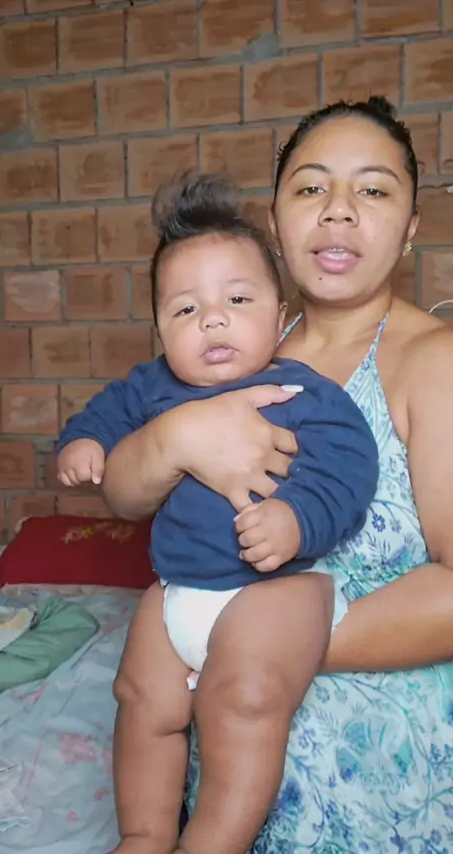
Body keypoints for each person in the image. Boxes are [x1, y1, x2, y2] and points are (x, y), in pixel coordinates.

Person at [100, 96, 453, 853]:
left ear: (411, 227)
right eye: (311, 186)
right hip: (218, 739)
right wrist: (172, 437)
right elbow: (122, 495)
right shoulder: (233, 337)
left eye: (374, 189)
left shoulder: (437, 361)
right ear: (274, 221)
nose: (338, 211)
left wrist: (260, 645)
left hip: (368, 770)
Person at [57, 172, 379, 854]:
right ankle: (144, 834)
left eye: (237, 299)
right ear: (159, 329)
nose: (213, 320)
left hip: (277, 588)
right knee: (140, 698)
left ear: (279, 315)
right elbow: (106, 412)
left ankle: (212, 844)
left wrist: (297, 520)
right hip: (179, 588)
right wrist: (84, 443)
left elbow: (348, 467)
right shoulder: (152, 386)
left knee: (244, 704)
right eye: (185, 309)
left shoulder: (301, 392)